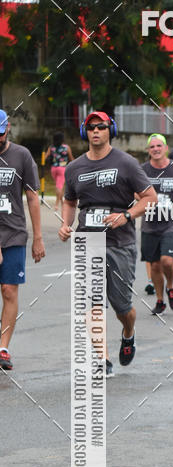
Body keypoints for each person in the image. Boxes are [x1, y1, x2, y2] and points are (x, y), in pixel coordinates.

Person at [59, 111, 157, 376]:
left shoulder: (126, 163)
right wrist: (65, 224)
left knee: (122, 306)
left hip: (119, 243)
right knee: (92, 303)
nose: (96, 131)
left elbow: (150, 198)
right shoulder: (74, 167)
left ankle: (128, 332)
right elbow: (69, 200)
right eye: (91, 127)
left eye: (101, 127)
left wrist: (126, 215)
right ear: (84, 132)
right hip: (87, 242)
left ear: (109, 130)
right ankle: (102, 359)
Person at [0, 110, 45, 370]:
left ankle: (3, 347)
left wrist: (38, 237)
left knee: (9, 290)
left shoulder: (22, 156)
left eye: (0, 132)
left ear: (8, 129)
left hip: (14, 233)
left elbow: (31, 197)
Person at [140, 134, 173, 315]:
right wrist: (140, 201)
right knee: (154, 266)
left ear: (165, 148)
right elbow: (134, 190)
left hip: (170, 222)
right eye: (152, 146)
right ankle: (160, 300)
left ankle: (171, 287)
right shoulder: (143, 170)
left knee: (167, 261)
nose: (155, 149)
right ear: (148, 150)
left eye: (158, 145)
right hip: (149, 223)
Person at [45, 132, 74, 212]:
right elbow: (71, 158)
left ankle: (61, 202)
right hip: (63, 168)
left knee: (58, 185)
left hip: (53, 168)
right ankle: (57, 204)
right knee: (60, 186)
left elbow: (45, 157)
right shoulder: (66, 147)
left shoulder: (51, 147)